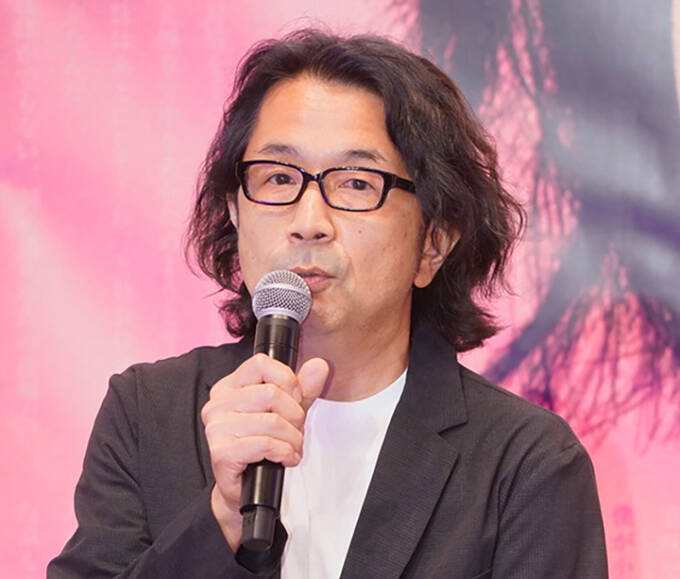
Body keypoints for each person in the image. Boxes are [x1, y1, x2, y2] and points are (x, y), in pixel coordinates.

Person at [48, 29, 608, 578]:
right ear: (236, 213)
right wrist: (221, 520)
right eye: (277, 178)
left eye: (356, 183)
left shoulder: (524, 464)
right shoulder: (147, 414)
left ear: (432, 243)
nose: (309, 222)